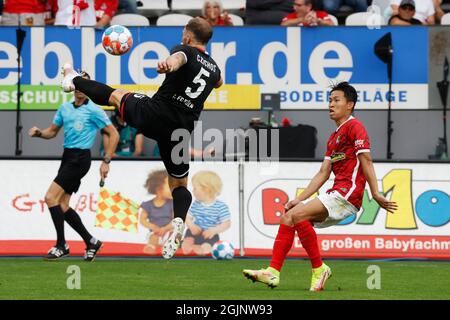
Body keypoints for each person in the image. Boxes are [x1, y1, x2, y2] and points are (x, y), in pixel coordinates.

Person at [60, 17, 223, 260]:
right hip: (181, 131)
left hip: (156, 115)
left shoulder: (184, 51)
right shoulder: (214, 68)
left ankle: (73, 80)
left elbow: (177, 60)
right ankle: (178, 220)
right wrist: (208, 71)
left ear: (188, 37)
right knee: (179, 185)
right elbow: (219, 82)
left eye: (183, 34)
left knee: (118, 96)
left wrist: (168, 64)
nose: (181, 37)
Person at [242, 82, 398, 291]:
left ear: (350, 104)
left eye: (336, 100)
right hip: (336, 192)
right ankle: (273, 273)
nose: (330, 104)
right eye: (330, 100)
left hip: (348, 194)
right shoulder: (334, 137)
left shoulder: (355, 127)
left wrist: (376, 192)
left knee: (297, 216)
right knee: (288, 217)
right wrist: (300, 198)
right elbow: (323, 173)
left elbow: (366, 160)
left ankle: (319, 268)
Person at [28, 71, 119, 261]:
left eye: (85, 85)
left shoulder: (94, 110)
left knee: (50, 197)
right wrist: (39, 133)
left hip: (80, 159)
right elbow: (52, 132)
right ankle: (91, 241)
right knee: (62, 204)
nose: (80, 89)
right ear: (72, 86)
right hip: (67, 157)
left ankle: (61, 245)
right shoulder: (64, 108)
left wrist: (106, 161)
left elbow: (114, 134)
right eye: (78, 85)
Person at [182, 171, 231, 256]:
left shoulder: (221, 206)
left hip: (210, 235)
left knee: (206, 248)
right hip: (194, 232)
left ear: (206, 189)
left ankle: (200, 248)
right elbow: (187, 217)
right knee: (187, 243)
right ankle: (189, 246)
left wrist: (214, 230)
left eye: (195, 188)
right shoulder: (196, 204)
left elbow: (227, 223)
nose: (192, 191)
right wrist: (191, 226)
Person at [139, 170, 174, 255]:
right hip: (155, 232)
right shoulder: (148, 205)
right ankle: (151, 248)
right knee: (153, 238)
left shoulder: (172, 203)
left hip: (169, 231)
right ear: (159, 189)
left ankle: (168, 249)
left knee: (173, 238)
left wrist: (165, 229)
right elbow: (142, 220)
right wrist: (152, 226)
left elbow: (176, 220)